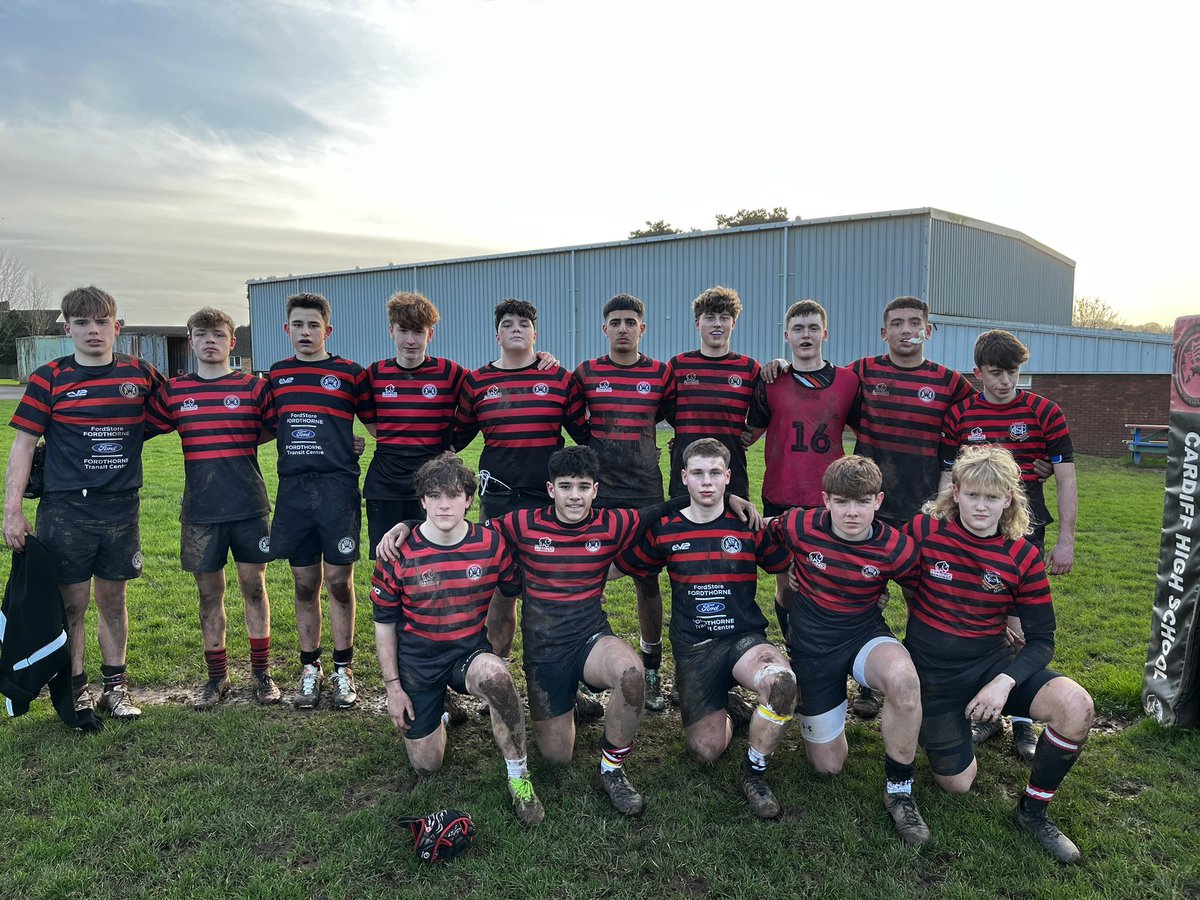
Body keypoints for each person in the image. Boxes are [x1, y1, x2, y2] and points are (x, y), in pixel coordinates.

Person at [379, 445, 682, 816]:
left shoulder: (613, 522)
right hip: (541, 652)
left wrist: (728, 498)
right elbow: (454, 527)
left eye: (583, 487)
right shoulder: (519, 524)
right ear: (551, 489)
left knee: (631, 673)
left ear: (595, 490)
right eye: (566, 486)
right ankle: (547, 702)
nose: (575, 495)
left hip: (589, 639)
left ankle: (613, 770)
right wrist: (408, 526)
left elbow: (663, 510)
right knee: (552, 757)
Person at [906, 445, 1094, 864]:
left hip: (993, 665)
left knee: (1076, 705)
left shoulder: (1022, 554)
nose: (981, 506)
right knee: (957, 784)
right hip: (932, 675)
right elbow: (872, 553)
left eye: (992, 497)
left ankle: (1032, 812)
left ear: (1008, 499)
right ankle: (940, 726)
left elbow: (1042, 639)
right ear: (955, 492)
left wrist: (1003, 680)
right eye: (973, 494)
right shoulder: (923, 530)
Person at [3, 286, 164, 721]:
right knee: (71, 602)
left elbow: (182, 413)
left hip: (120, 507)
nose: (93, 330)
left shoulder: (141, 375)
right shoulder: (49, 376)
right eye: (82, 322)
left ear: (117, 326)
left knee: (114, 599)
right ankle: (76, 690)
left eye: (101, 322)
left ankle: (116, 688)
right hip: (66, 510)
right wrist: (12, 510)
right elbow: (22, 446)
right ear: (67, 327)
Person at [615, 438, 796, 819]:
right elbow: (619, 567)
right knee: (705, 750)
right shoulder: (665, 529)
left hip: (743, 640)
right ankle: (730, 708)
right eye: (697, 473)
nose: (707, 482)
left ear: (729, 477)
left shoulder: (747, 525)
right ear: (684, 478)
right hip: (695, 648)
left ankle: (754, 773)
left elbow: (790, 568)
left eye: (715, 473)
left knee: (781, 682)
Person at [369, 452, 544, 826]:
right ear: (422, 501)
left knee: (498, 678)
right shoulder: (397, 551)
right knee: (428, 765)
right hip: (418, 663)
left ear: (469, 499)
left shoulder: (491, 545)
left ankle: (520, 778)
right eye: (434, 496)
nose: (443, 504)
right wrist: (394, 689)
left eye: (453, 495)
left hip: (468, 653)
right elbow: (383, 623)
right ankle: (440, 710)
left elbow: (517, 588)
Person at [769, 456, 928, 843]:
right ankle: (825, 709)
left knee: (904, 680)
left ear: (878, 500)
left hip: (862, 636)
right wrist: (786, 570)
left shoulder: (898, 548)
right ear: (825, 500)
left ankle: (900, 792)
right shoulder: (798, 524)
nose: (852, 512)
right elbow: (764, 537)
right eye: (842, 501)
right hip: (812, 647)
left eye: (862, 502)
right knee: (828, 766)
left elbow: (915, 591)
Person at [939, 328, 1078, 757]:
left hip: (1023, 532)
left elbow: (1067, 476)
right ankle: (988, 712)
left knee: (1021, 622)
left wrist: (1066, 540)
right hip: (968, 535)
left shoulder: (1044, 411)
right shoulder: (960, 414)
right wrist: (942, 524)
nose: (1005, 381)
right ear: (978, 372)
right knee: (983, 615)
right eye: (996, 372)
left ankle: (1022, 720)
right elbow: (949, 477)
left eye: (1013, 372)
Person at [145, 307, 280, 709]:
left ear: (231, 341)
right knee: (209, 594)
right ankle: (217, 678)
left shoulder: (254, 389)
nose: (210, 341)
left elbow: (274, 428)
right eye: (201, 335)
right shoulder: (174, 391)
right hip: (200, 510)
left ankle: (262, 674)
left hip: (248, 504)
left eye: (218, 334)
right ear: (190, 341)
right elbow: (137, 427)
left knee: (254, 588)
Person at [847, 296, 973, 718]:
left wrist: (1035, 459)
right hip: (871, 507)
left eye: (914, 322)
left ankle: (922, 679)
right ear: (884, 333)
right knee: (868, 594)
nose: (906, 330)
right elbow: (819, 384)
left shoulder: (950, 382)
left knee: (923, 597)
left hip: (925, 511)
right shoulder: (863, 372)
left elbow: (983, 418)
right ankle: (868, 681)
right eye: (896, 323)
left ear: (928, 331)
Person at [363, 291, 561, 559]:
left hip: (435, 481)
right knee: (388, 560)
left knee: (436, 561)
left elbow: (490, 387)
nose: (410, 340)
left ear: (430, 334)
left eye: (418, 332)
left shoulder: (453, 373)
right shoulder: (373, 373)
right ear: (391, 331)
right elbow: (367, 420)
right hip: (385, 484)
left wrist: (542, 357)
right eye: (403, 331)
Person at [268, 292, 376, 710]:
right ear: (287, 330)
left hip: (337, 489)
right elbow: (261, 424)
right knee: (304, 582)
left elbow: (377, 417)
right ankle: (310, 668)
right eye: (298, 324)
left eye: (314, 325)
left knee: (338, 581)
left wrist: (355, 442)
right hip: (294, 490)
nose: (306, 332)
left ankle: (343, 668)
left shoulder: (349, 373)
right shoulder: (277, 375)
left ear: (327, 330)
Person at [744, 299, 861, 675]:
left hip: (832, 500)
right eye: (798, 328)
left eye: (813, 328)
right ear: (786, 336)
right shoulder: (772, 381)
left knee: (838, 580)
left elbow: (873, 434)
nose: (806, 335)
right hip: (780, 495)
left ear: (825, 334)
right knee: (788, 582)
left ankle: (843, 655)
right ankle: (797, 649)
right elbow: (748, 434)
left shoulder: (848, 382)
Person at [574, 293, 677, 712]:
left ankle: (651, 667)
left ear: (642, 328)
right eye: (614, 322)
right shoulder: (586, 373)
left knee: (647, 579)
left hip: (645, 491)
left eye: (630, 322)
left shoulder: (659, 373)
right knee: (587, 578)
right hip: (599, 493)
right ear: (604, 329)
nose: (622, 328)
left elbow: (678, 416)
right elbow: (571, 418)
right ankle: (583, 665)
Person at [451, 299, 589, 522]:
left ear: (535, 335)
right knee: (497, 556)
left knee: (545, 556)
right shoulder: (476, 381)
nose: (516, 328)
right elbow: (457, 438)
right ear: (497, 337)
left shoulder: (560, 378)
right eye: (507, 324)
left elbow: (585, 436)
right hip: (497, 495)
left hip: (548, 494)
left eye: (524, 324)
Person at [665, 286, 760, 502]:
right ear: (697, 323)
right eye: (710, 317)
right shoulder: (678, 366)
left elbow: (766, 410)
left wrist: (751, 433)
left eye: (724, 317)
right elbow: (665, 409)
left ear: (733, 323)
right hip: (686, 474)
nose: (717, 323)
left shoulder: (750, 368)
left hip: (732, 476)